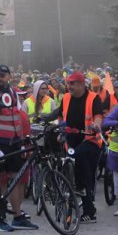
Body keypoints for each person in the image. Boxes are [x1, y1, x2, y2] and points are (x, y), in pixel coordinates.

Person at [41, 70, 106, 224]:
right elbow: (61, 117)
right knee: (66, 162)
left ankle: (90, 211)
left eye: (72, 83)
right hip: (71, 139)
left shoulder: (93, 98)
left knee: (82, 166)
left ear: (82, 84)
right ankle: (67, 191)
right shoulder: (66, 98)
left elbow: (98, 116)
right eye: (68, 83)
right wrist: (59, 130)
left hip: (90, 139)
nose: (68, 86)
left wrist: (96, 125)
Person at [0, 64, 38, 232]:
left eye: (2, 75)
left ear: (9, 76)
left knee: (15, 180)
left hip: (13, 144)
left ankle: (18, 216)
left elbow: (18, 118)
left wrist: (21, 141)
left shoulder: (13, 93)